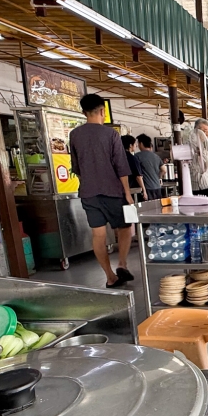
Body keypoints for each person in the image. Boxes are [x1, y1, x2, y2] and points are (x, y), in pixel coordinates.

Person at [69, 93, 135, 288]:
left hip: (88, 192)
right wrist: (127, 192)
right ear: (102, 112)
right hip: (113, 190)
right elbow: (120, 166)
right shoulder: (111, 134)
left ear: (84, 112)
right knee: (124, 228)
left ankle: (109, 276)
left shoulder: (75, 134)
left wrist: (88, 181)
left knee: (98, 235)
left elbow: (76, 166)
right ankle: (122, 263)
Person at [188, 117, 208, 199]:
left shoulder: (205, 146)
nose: (206, 135)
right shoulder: (190, 145)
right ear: (196, 130)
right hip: (195, 184)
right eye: (204, 131)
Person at [135, 134, 163, 199]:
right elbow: (164, 170)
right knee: (158, 207)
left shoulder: (137, 156)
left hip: (147, 188)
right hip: (157, 187)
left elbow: (138, 176)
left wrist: (143, 190)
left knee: (148, 208)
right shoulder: (156, 156)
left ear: (141, 143)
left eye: (138, 143)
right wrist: (159, 178)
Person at [121, 134, 147, 202]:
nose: (136, 146)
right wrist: (144, 190)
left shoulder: (117, 157)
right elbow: (138, 177)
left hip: (119, 191)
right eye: (135, 144)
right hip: (132, 190)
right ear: (130, 145)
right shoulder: (132, 158)